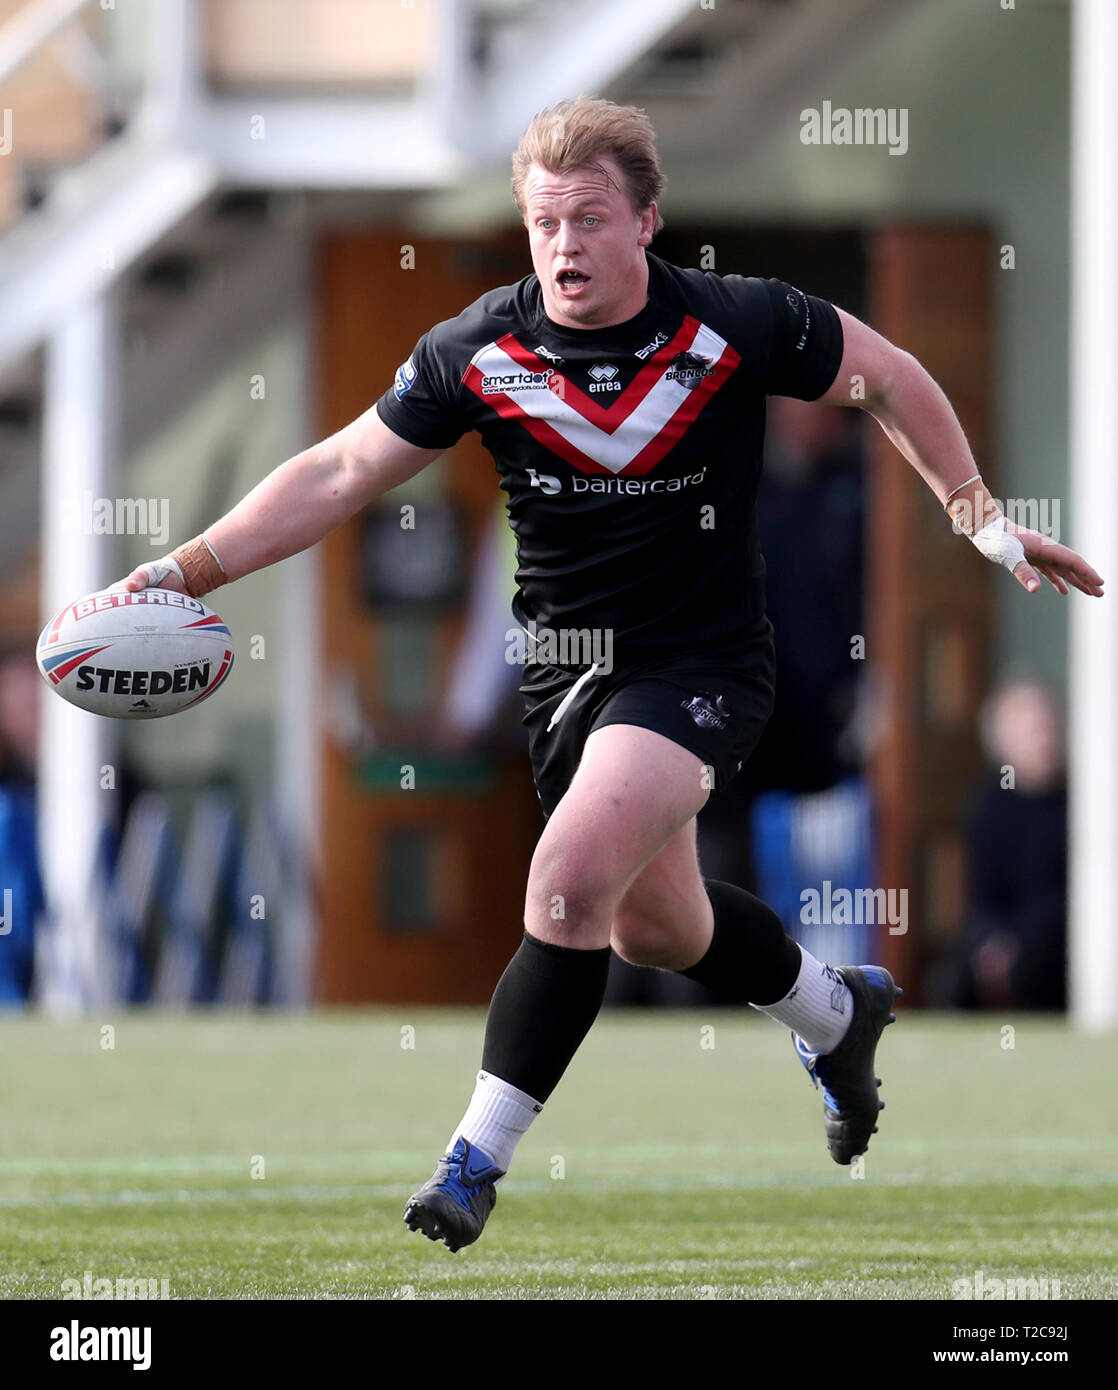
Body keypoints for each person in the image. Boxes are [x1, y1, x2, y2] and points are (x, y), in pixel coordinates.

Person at [115, 98, 1103, 1253]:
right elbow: (340, 468)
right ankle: (835, 1012)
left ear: (646, 222)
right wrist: (182, 571)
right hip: (564, 679)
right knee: (653, 928)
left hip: (700, 667)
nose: (564, 245)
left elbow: (886, 374)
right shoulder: (479, 349)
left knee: (565, 884)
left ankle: (468, 1163)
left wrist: (977, 515)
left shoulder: (732, 323)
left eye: (589, 218)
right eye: (543, 223)